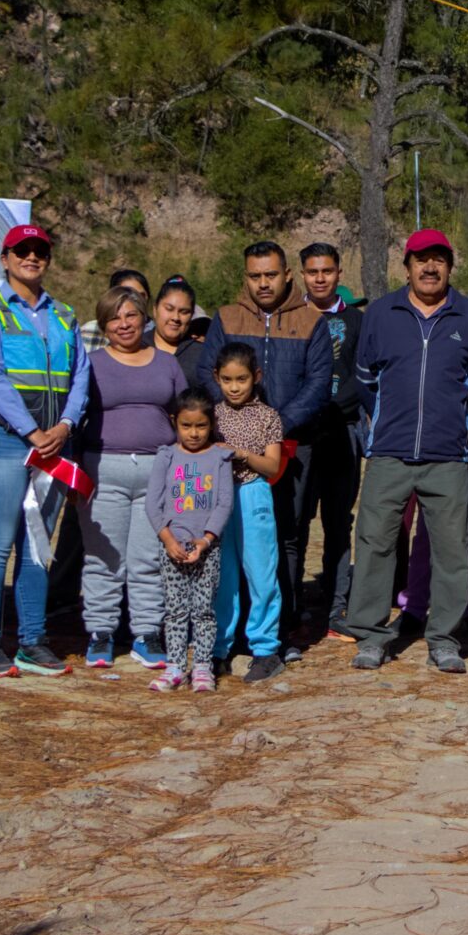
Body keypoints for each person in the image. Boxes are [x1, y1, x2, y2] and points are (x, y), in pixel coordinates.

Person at [345, 229, 468, 673]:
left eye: (439, 260)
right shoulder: (381, 313)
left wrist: (451, 427)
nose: (430, 267)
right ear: (405, 266)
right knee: (374, 544)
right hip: (389, 451)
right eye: (421, 259)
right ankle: (371, 636)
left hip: (447, 456)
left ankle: (443, 638)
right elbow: (366, 380)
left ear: (450, 266)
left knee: (451, 549)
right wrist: (390, 421)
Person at [0, 223, 88, 677]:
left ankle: (32, 642)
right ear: (5, 258)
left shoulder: (65, 315)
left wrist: (65, 426)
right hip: (1, 439)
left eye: (39, 251)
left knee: (37, 546)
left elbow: (80, 377)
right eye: (22, 251)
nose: (31, 258)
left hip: (54, 442)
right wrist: (33, 431)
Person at [198, 241, 333, 645]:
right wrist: (238, 428)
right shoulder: (226, 317)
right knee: (234, 534)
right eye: (255, 276)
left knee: (288, 535)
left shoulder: (312, 321)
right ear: (246, 277)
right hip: (231, 450)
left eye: (270, 275)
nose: (263, 283)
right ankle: (235, 628)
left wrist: (274, 426)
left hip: (296, 443)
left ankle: (284, 624)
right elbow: (208, 373)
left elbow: (319, 383)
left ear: (287, 274)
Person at [77, 284, 187, 670]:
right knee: (104, 556)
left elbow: (185, 415)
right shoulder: (89, 364)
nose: (123, 324)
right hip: (103, 469)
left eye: (130, 315)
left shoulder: (167, 363)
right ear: (103, 325)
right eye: (113, 318)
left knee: (148, 558)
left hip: (158, 471)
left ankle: (145, 633)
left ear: (144, 317)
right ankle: (101, 632)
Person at [296, 242, 366, 640]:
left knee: (338, 521)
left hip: (344, 429)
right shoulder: (292, 318)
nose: (320, 278)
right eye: (312, 271)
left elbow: (365, 372)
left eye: (327, 271)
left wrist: (334, 407)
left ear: (339, 273)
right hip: (301, 433)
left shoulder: (356, 321)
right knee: (297, 518)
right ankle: (294, 602)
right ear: (301, 275)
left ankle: (337, 604)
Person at [148, 388, 236, 692]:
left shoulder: (220, 457)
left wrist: (206, 540)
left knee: (203, 610)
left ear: (210, 424)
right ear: (175, 422)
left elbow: (224, 503)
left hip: (206, 550)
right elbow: (152, 503)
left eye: (201, 425)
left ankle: (201, 666)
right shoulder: (167, 455)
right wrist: (167, 538)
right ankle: (174, 665)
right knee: (175, 610)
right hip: (172, 546)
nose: (194, 433)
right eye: (187, 425)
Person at [208, 343, 286, 681]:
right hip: (217, 497)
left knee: (261, 572)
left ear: (256, 377)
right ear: (217, 378)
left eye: (241, 379)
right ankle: (218, 648)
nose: (234, 387)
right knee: (222, 575)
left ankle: (265, 648)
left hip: (254, 494)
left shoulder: (268, 416)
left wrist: (240, 453)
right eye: (227, 379)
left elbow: (271, 465)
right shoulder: (211, 415)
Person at [77, 268, 151, 354]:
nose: (124, 325)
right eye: (124, 294)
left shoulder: (157, 333)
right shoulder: (90, 331)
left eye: (140, 295)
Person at [152, 277, 207, 386]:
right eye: (169, 309)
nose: (176, 318)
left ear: (191, 315)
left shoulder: (203, 354)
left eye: (184, 312)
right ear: (155, 309)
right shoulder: (138, 346)